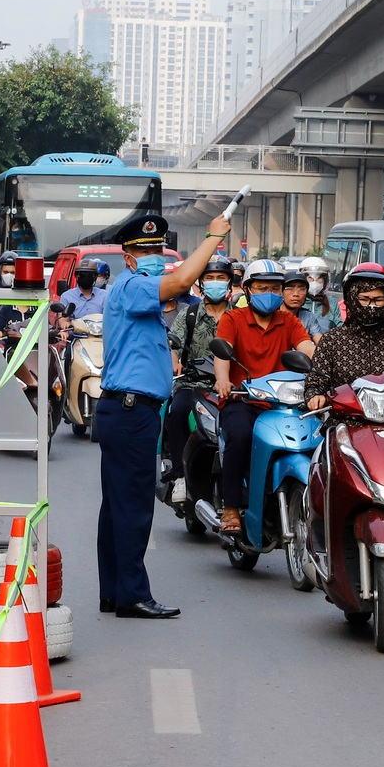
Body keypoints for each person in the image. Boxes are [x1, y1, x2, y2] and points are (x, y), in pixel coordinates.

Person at [97, 213, 232, 617]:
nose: (154, 256)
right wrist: (212, 238)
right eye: (146, 250)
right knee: (135, 506)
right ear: (129, 256)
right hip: (130, 410)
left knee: (116, 506)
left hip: (126, 409)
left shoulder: (134, 290)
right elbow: (177, 282)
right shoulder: (134, 286)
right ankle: (133, 595)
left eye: (159, 249)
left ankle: (114, 592)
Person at [210, 260, 316, 532]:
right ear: (247, 289)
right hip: (242, 401)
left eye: (275, 287)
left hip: (282, 404)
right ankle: (232, 507)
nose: (269, 292)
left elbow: (307, 348)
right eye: (261, 287)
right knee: (240, 437)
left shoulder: (289, 321)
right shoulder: (233, 319)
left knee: (317, 438)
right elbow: (223, 354)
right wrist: (223, 380)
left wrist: (323, 371)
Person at [302, 262, 384, 405]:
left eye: (378, 300)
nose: (371, 306)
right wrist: (315, 395)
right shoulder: (332, 340)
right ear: (351, 299)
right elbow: (316, 381)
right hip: (345, 421)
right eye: (364, 299)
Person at [163, 254, 235, 479]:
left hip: (233, 385)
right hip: (193, 383)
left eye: (221, 277)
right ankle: (180, 474)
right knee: (178, 412)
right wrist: (174, 362)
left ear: (230, 282)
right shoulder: (189, 315)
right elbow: (174, 343)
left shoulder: (240, 316)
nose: (215, 281)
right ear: (201, 283)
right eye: (210, 277)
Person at [281, 272, 332, 338]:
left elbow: (319, 341)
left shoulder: (308, 317)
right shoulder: (272, 315)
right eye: (290, 288)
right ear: (281, 292)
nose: (296, 294)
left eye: (302, 289)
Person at [61, 255, 108, 320]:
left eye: (89, 275)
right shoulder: (66, 296)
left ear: (95, 276)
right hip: (74, 330)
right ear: (76, 276)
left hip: (98, 329)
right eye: (82, 275)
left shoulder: (104, 296)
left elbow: (110, 318)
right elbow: (63, 318)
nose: (86, 278)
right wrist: (64, 324)